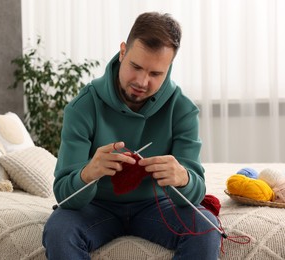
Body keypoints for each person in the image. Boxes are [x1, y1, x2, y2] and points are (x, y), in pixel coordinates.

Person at [42, 11, 221, 259]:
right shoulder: (82, 107)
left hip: (157, 206)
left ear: (168, 68)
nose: (141, 81)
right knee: (59, 230)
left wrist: (183, 179)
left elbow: (195, 194)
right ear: (123, 51)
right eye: (135, 67)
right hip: (95, 207)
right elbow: (64, 194)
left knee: (206, 226)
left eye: (155, 73)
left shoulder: (182, 110)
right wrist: (89, 172)